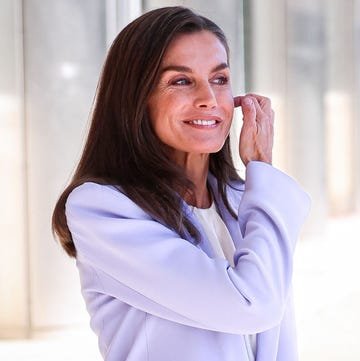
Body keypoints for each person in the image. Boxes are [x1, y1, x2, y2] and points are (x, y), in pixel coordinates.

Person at [52, 6, 310, 361]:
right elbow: (252, 305)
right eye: (181, 81)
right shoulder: (102, 210)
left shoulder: (242, 200)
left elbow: (277, 342)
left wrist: (257, 182)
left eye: (220, 79)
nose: (209, 98)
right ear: (136, 98)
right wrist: (261, 169)